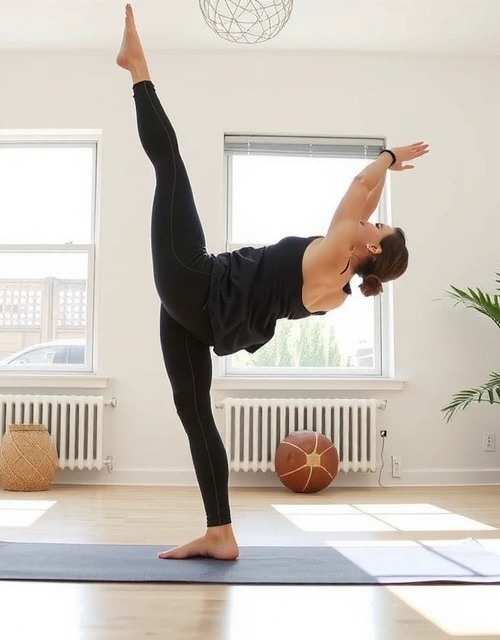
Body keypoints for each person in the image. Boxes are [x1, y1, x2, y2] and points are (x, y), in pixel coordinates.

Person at [116, 3, 426, 560]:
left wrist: (389, 155)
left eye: (378, 224)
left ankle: (137, 68)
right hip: (206, 317)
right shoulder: (338, 288)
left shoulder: (335, 250)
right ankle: (220, 532)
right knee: (194, 414)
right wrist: (386, 180)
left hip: (196, 282)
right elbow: (367, 201)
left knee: (173, 165)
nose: (372, 215)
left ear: (371, 246)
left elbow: (360, 184)